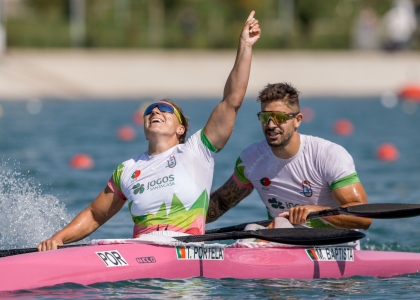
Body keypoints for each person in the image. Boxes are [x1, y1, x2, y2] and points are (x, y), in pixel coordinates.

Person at [38, 11, 261, 251]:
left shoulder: (198, 150)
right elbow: (94, 215)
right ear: (144, 130)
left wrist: (244, 47)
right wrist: (58, 239)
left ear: (181, 128)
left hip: (187, 258)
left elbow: (231, 101)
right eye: (150, 110)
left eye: (165, 109)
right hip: (142, 257)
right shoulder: (127, 170)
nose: (155, 112)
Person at [207, 83, 372, 232]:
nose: (271, 125)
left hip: (333, 244)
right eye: (265, 118)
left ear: (297, 120)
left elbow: (364, 218)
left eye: (279, 118)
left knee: (260, 229)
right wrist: (183, 221)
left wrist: (319, 212)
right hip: (281, 240)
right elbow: (222, 202)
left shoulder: (328, 155)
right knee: (253, 229)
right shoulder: (251, 160)